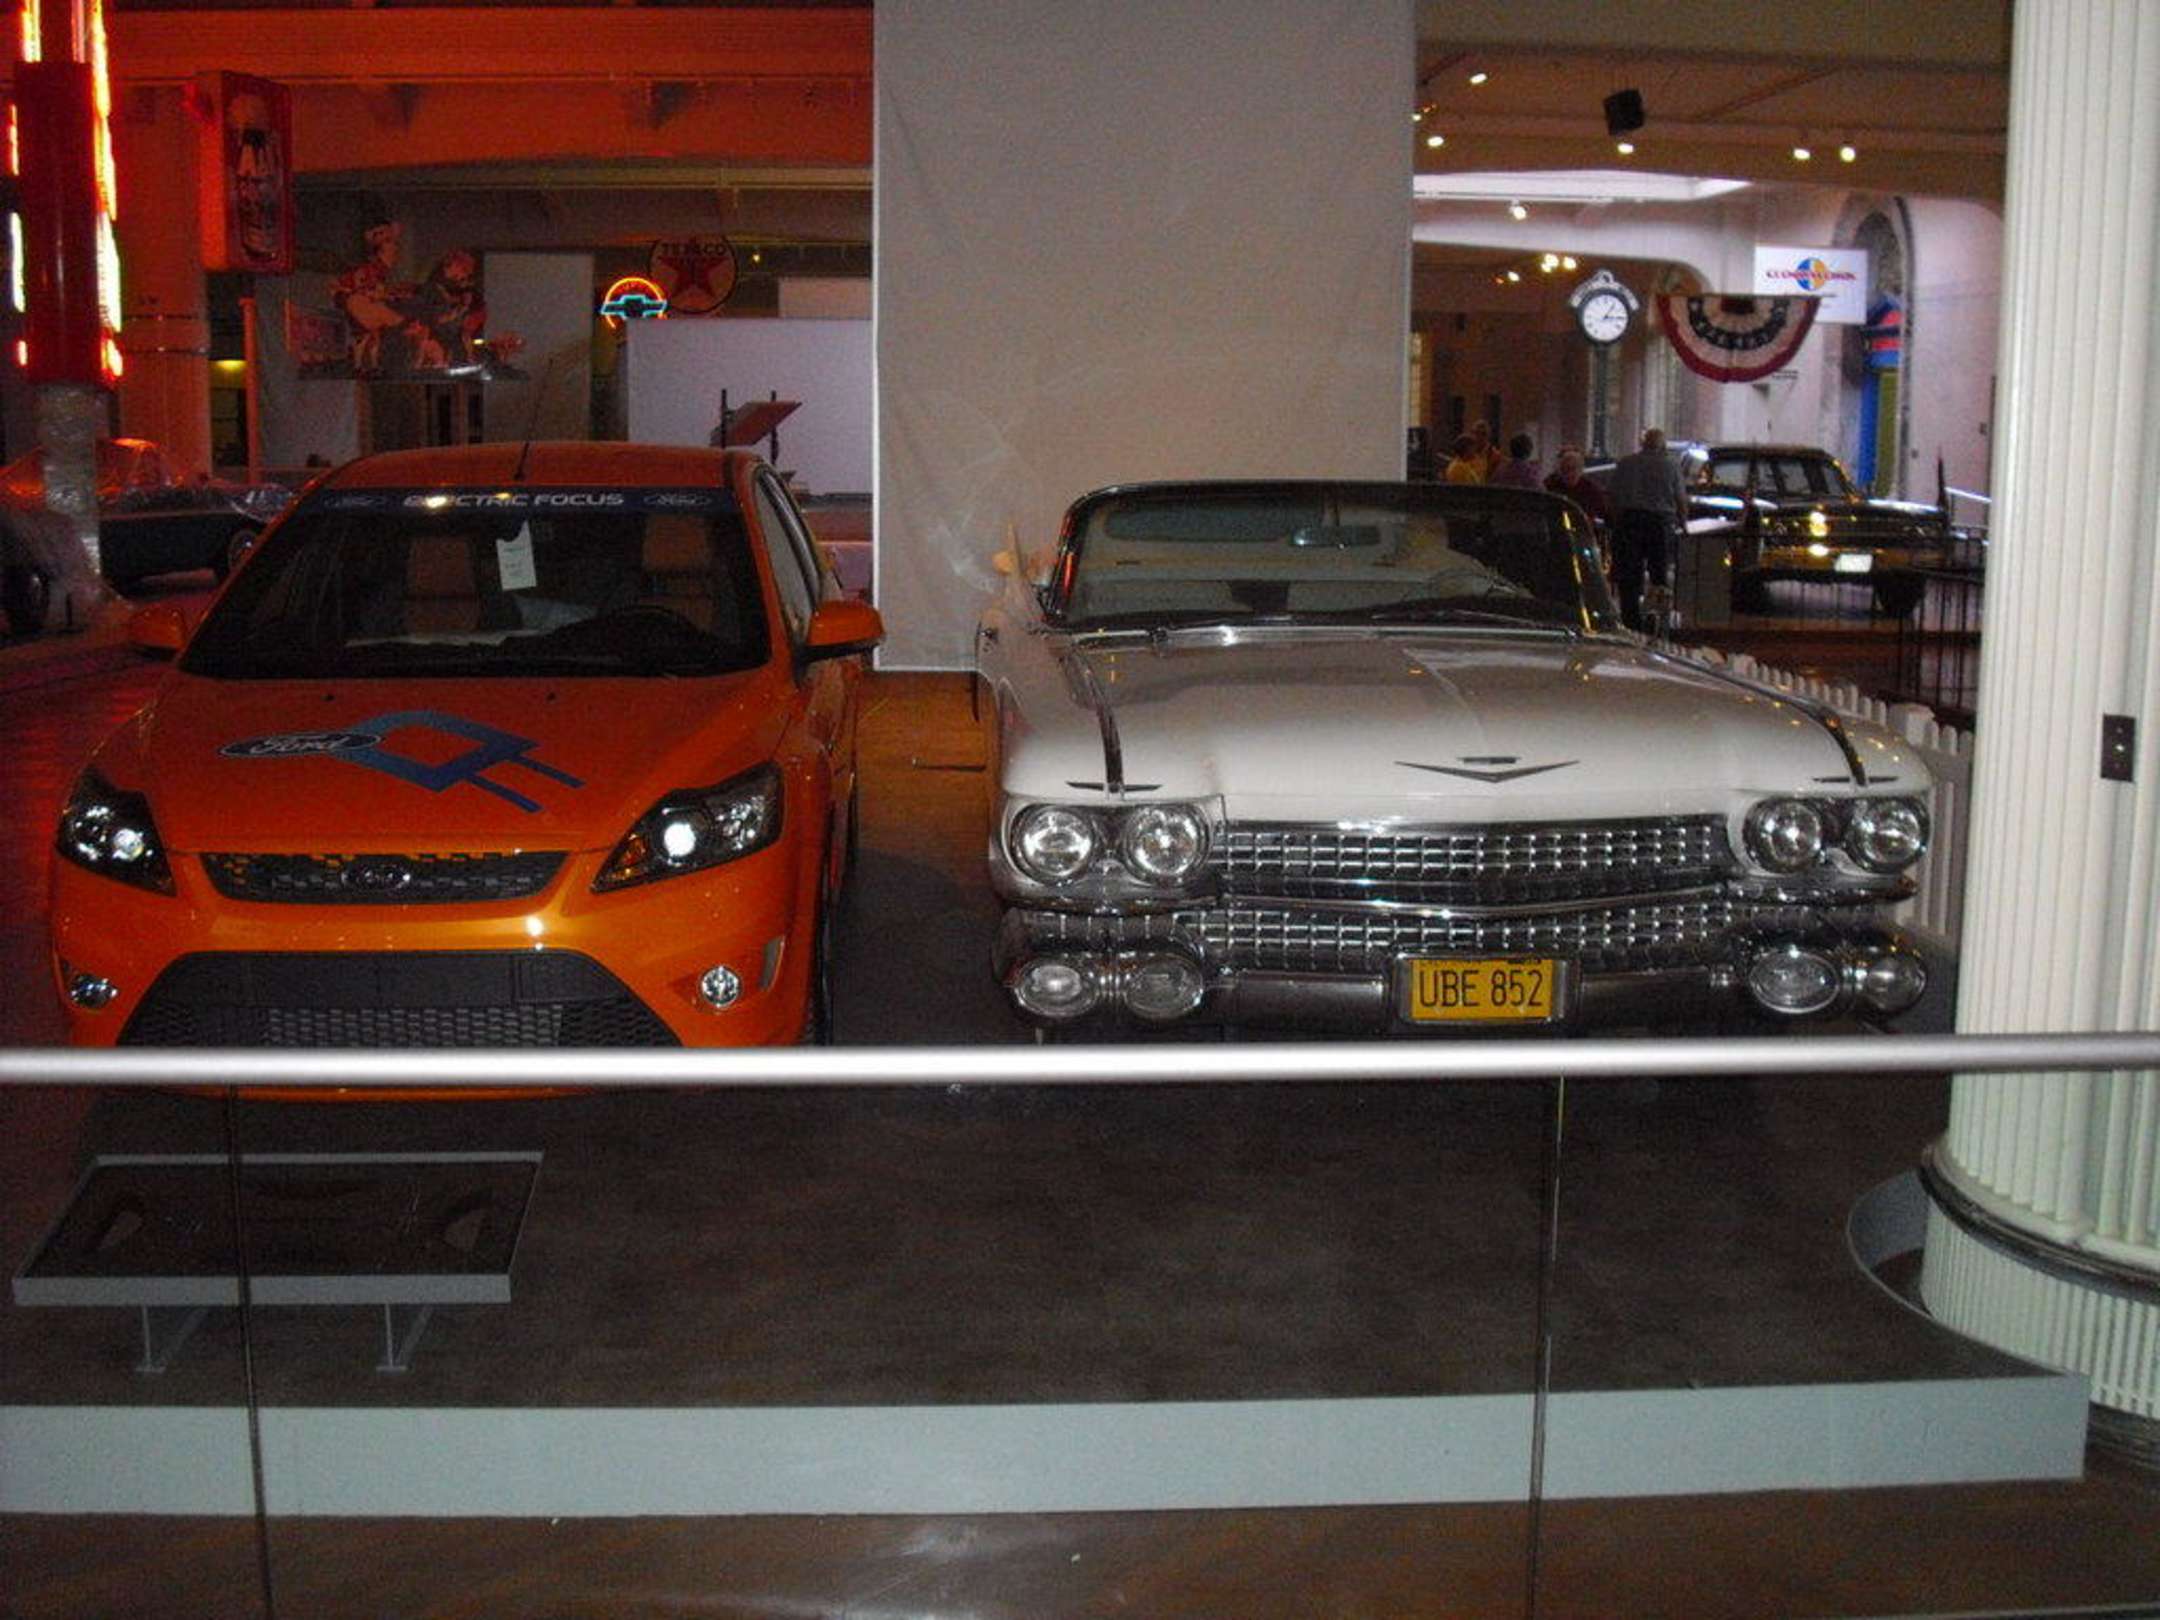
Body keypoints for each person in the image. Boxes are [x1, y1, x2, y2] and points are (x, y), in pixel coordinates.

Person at [1607, 427, 1687, 631]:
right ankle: (1658, 621)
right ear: (1662, 445)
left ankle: (1630, 621)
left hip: (1629, 522)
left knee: (1629, 575)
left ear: (1643, 444)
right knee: (1659, 574)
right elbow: (1680, 498)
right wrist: (1683, 523)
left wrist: (1616, 520)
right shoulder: (1671, 466)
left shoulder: (1625, 464)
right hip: (1659, 524)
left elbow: (1612, 495)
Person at [1543, 445, 1611, 528]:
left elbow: (1605, 516)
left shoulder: (1591, 489)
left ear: (1580, 469)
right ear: (1559, 470)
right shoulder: (1551, 485)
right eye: (1564, 469)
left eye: (1573, 468)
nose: (1569, 474)